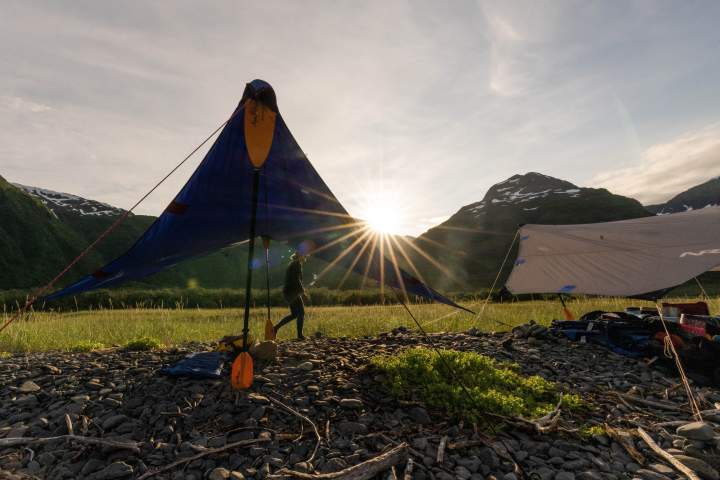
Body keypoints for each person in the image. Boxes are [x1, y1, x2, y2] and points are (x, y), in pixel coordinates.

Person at [273, 251, 307, 339]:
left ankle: (275, 328)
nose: (306, 257)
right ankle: (300, 335)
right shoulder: (297, 264)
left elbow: (295, 279)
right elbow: (296, 279)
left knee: (294, 314)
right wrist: (302, 291)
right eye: (305, 255)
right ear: (301, 256)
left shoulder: (293, 264)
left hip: (288, 292)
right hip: (292, 292)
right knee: (301, 312)